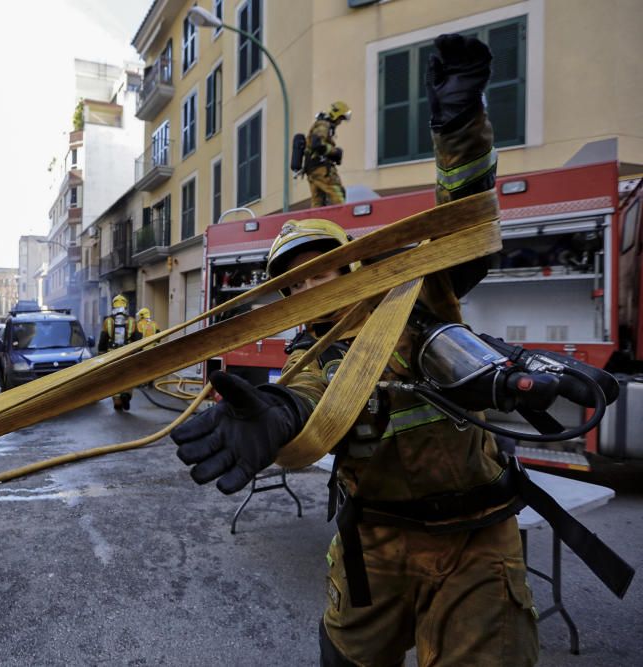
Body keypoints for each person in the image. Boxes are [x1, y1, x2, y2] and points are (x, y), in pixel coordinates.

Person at [172, 36, 541, 666]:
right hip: (374, 542)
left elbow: (468, 223)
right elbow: (312, 398)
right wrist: (278, 415)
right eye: (295, 281)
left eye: (324, 270)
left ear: (353, 267)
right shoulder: (307, 357)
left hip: (477, 537)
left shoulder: (419, 298)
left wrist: (458, 126)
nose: (311, 286)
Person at [302, 100, 350, 208]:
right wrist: (336, 152)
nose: (340, 122)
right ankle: (343, 221)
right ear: (336, 116)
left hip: (312, 169)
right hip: (322, 168)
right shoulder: (323, 125)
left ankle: (318, 223)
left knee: (318, 203)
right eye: (340, 119)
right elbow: (317, 144)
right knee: (338, 195)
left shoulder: (319, 124)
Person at [98, 294, 141, 410]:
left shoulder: (108, 321)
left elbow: (103, 340)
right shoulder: (132, 321)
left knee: (114, 378)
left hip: (112, 355)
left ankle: (117, 401)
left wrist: (101, 355)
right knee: (128, 377)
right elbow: (137, 340)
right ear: (126, 305)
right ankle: (126, 394)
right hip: (128, 354)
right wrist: (138, 353)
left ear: (113, 305)